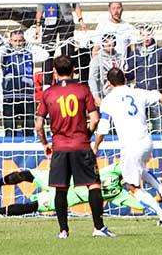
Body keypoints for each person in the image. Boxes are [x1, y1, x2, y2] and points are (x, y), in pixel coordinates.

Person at [93, 68, 162, 226]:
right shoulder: (138, 92)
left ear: (109, 83)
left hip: (131, 146)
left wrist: (95, 146)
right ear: (125, 80)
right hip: (147, 142)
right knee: (141, 170)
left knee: (131, 186)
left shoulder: (108, 100)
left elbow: (103, 128)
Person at [35, 55, 115, 239]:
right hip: (81, 145)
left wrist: (45, 143)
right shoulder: (82, 89)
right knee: (93, 185)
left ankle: (63, 230)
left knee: (60, 188)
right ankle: (98, 228)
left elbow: (39, 125)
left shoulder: (48, 93)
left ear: (54, 72)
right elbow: (95, 119)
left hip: (60, 147)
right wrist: (86, 135)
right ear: (74, 71)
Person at [0, 162, 144, 221]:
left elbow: (141, 205)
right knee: (26, 174)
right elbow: (130, 163)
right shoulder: (115, 170)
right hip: (63, 179)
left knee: (31, 207)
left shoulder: (119, 194)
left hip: (68, 197)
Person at [0, 30, 48, 137]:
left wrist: (29, 45)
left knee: (28, 130)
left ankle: (28, 152)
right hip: (10, 96)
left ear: (24, 41)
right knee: (9, 130)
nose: (18, 43)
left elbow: (45, 55)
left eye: (20, 41)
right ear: (10, 41)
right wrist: (5, 46)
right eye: (15, 41)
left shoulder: (29, 53)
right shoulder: (5, 53)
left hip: (27, 96)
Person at [35, 0, 87, 87]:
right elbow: (40, 5)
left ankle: (68, 81)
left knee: (67, 53)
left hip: (66, 20)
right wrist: (38, 24)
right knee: (47, 53)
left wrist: (81, 20)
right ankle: (47, 84)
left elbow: (75, 4)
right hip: (49, 21)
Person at [125, 25, 162, 133]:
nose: (146, 38)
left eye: (148, 35)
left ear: (152, 35)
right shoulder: (134, 53)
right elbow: (131, 74)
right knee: (140, 126)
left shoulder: (160, 51)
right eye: (143, 35)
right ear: (140, 36)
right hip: (139, 93)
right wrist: (122, 74)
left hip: (155, 93)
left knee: (158, 125)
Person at [88, 33, 123, 106]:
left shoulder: (120, 57)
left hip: (120, 93)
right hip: (105, 94)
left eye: (112, 43)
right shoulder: (97, 59)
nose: (110, 45)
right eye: (107, 42)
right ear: (103, 44)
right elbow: (92, 79)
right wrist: (96, 96)